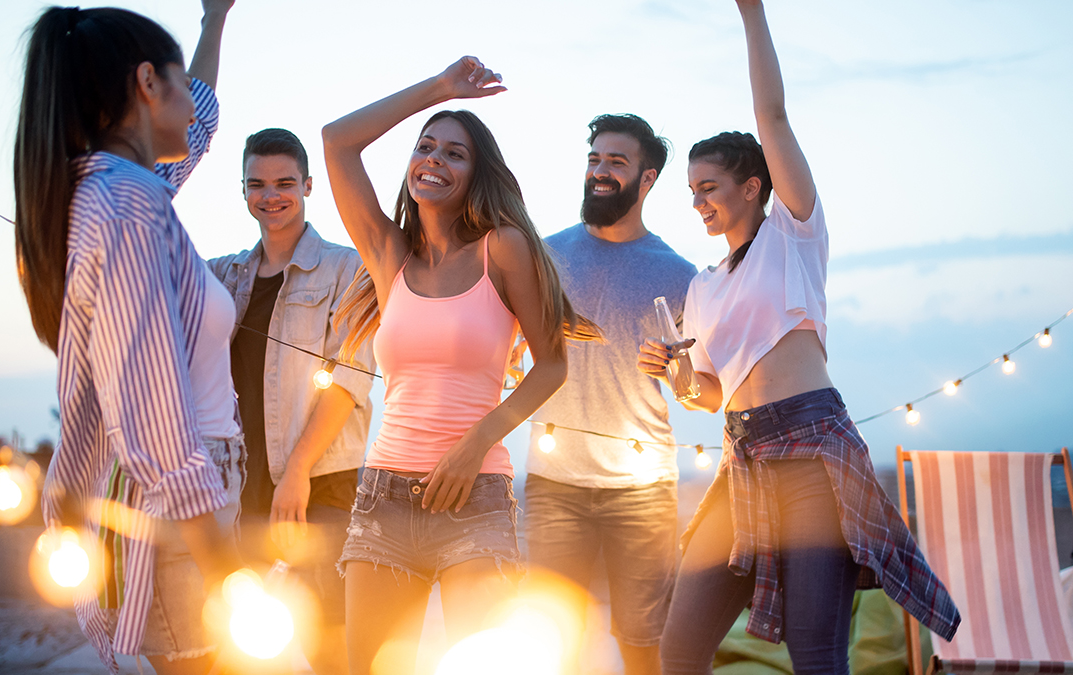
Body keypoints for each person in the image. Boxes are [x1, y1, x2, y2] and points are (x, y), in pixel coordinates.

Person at [637, 3, 960, 673]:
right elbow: (710, 390)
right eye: (691, 190)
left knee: (816, 656)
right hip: (742, 459)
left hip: (812, 450)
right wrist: (676, 377)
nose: (698, 201)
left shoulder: (793, 236)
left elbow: (773, 118)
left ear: (753, 188)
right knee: (679, 646)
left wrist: (752, 14)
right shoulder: (702, 285)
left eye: (710, 187)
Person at [322, 56, 601, 675]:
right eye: (426, 148)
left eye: (455, 154)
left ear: (477, 175)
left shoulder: (502, 247)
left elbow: (552, 366)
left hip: (475, 501)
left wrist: (476, 444)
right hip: (383, 500)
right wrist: (438, 91)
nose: (434, 161)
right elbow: (337, 143)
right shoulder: (389, 257)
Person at [14, 3, 246, 674]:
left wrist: (215, 20)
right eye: (175, 79)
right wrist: (226, 567)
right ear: (148, 83)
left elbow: (195, 121)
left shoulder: (119, 189)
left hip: (184, 500)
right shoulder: (128, 205)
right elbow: (153, 409)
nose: (192, 106)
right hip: (177, 514)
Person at [525, 114, 696, 675]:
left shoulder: (678, 273)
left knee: (644, 643)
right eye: (595, 159)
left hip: (641, 492)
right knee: (552, 640)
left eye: (616, 163)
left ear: (647, 180)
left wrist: (677, 371)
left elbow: (695, 385)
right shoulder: (544, 255)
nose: (600, 172)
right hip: (554, 486)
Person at [207, 127, 375, 675]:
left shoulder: (346, 268)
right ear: (243, 192)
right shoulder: (225, 274)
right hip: (241, 484)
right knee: (247, 645)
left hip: (320, 481)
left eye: (284, 182)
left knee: (329, 646)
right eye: (257, 184)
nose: (270, 195)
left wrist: (297, 473)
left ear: (307, 185)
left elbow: (351, 377)